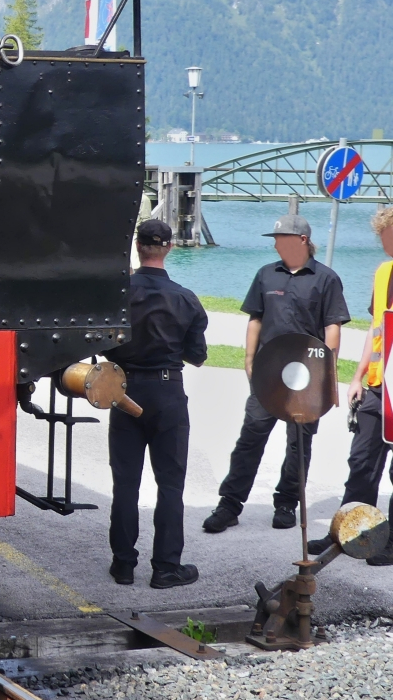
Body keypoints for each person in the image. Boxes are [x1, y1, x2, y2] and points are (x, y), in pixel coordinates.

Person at [203, 209, 350, 533]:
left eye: (281, 240)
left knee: (299, 444)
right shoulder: (265, 274)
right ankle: (229, 504)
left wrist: (328, 371)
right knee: (250, 438)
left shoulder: (326, 278)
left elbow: (333, 326)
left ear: (302, 240)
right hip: (268, 374)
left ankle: (286, 503)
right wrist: (248, 359)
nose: (276, 246)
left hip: (308, 377)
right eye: (275, 240)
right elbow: (255, 318)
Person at [103, 219, 208, 588]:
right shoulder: (186, 299)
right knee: (170, 484)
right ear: (168, 248)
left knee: (126, 483)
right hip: (168, 393)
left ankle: (123, 564)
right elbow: (197, 356)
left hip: (125, 391)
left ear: (138, 246)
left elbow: (102, 343)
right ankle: (165, 567)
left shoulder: (119, 294)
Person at [307, 206, 393, 565]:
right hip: (377, 385)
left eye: (384, 235)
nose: (382, 242)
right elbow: (377, 329)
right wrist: (358, 376)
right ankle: (347, 532)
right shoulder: (384, 272)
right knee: (361, 462)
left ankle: (388, 544)